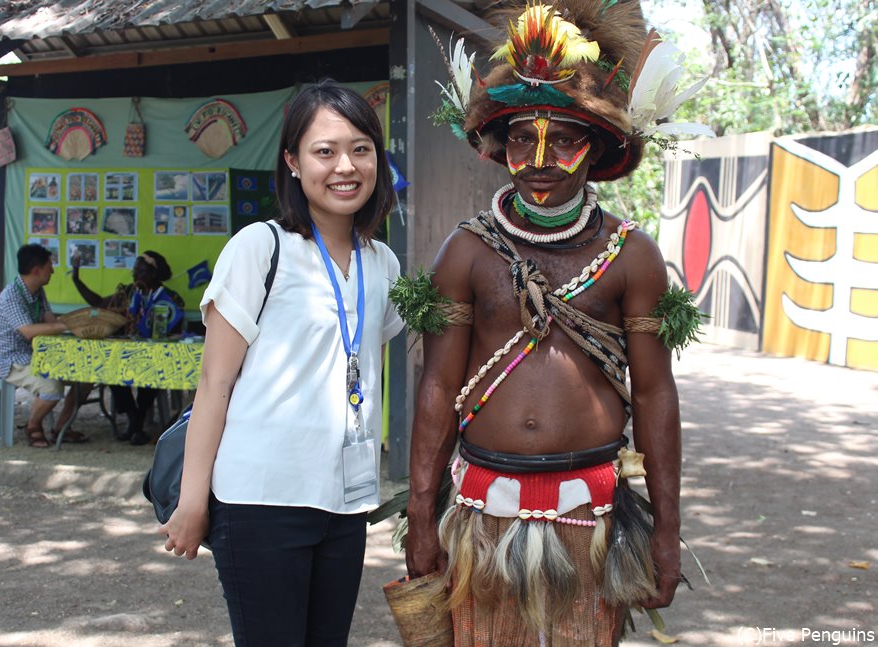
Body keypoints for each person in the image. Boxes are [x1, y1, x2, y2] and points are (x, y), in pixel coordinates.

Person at [404, 2, 706, 644]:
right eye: (521, 136)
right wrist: (422, 515)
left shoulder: (630, 255)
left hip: (591, 515)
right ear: (499, 144)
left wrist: (667, 530)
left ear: (596, 149)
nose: (539, 156)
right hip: (483, 510)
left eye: (564, 138)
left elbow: (655, 393)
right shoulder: (466, 251)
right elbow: (436, 387)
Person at [160, 80, 404, 646]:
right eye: (325, 151)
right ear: (293, 162)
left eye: (362, 148)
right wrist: (194, 501)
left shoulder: (383, 262)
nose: (346, 165)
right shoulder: (259, 247)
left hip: (345, 501)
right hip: (260, 499)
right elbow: (214, 384)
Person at [71, 249, 184, 446]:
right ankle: (134, 420)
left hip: (156, 355)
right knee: (111, 369)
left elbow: (172, 327)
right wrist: (76, 277)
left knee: (150, 372)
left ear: (154, 273)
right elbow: (98, 303)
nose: (135, 275)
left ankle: (136, 423)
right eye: (134, 271)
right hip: (128, 353)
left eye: (140, 271)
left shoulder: (171, 298)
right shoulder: (129, 293)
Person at [0, 243, 87, 448]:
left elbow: (49, 319)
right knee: (52, 387)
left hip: (40, 354)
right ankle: (32, 426)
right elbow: (28, 331)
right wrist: (66, 325)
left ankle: (61, 427)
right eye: (49, 266)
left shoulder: (37, 291)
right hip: (14, 360)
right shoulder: (11, 296)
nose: (52, 270)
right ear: (36, 270)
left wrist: (68, 323)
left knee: (87, 376)